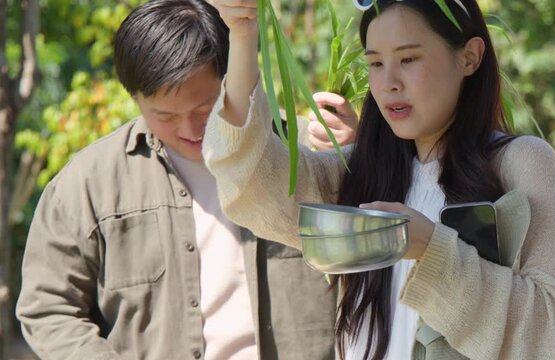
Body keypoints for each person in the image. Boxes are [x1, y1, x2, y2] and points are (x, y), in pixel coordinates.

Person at [203, 0, 555, 359]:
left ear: (469, 57)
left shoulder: (520, 164)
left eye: (408, 59)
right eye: (375, 64)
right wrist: (242, 33)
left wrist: (431, 249)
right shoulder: (358, 171)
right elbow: (253, 182)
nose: (389, 83)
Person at [15, 1, 358, 359]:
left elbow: (379, 255)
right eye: (164, 116)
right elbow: (48, 308)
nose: (189, 129)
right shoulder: (88, 183)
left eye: (204, 109)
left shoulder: (305, 150)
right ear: (134, 98)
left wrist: (359, 157)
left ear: (231, 77)